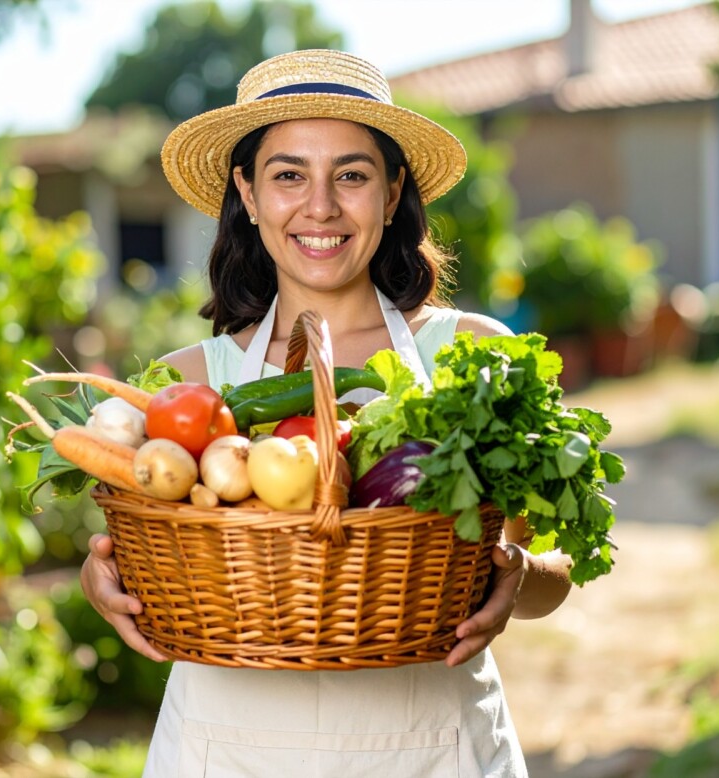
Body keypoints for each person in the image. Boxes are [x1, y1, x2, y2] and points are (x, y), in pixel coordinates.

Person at [81, 49, 573, 777]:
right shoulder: (187, 383)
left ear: (391, 188)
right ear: (246, 193)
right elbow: (149, 547)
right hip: (225, 750)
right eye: (287, 175)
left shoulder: (473, 357)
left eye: (351, 174)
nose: (321, 206)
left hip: (430, 747)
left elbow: (554, 569)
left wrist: (515, 576)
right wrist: (105, 583)